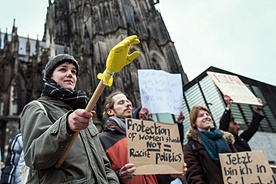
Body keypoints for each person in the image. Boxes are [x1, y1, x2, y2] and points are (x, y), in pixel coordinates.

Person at [20, 54, 119, 183]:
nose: (70, 74)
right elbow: (34, 157)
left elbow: (103, 163)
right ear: (50, 76)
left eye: (73, 72)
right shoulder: (37, 108)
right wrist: (66, 125)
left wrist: (113, 181)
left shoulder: (84, 114)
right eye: (63, 69)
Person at [99, 91, 187, 184]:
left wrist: (169, 175)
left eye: (128, 102)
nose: (127, 104)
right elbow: (99, 176)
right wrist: (119, 177)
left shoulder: (143, 133)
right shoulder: (102, 139)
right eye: (121, 102)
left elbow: (155, 175)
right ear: (110, 111)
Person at [183, 105, 236, 184]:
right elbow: (194, 176)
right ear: (194, 123)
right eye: (201, 116)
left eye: (207, 114)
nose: (206, 117)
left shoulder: (225, 139)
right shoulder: (191, 147)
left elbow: (239, 162)